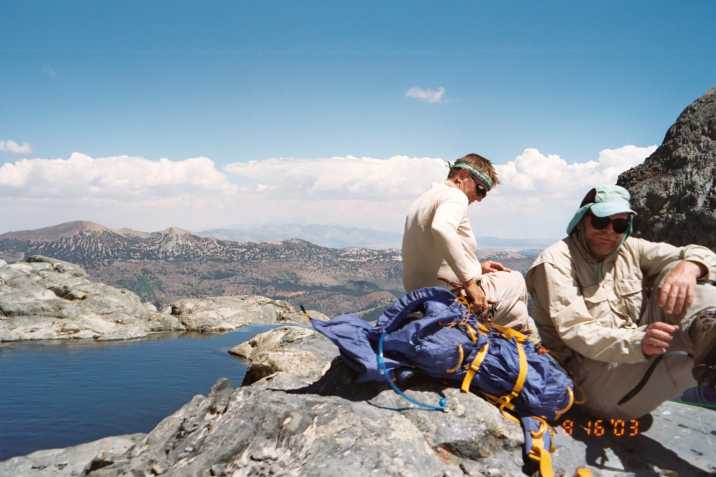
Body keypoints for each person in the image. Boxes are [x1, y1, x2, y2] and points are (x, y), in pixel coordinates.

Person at [526, 185, 716, 418]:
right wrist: (638, 342)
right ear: (582, 220)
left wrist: (690, 267)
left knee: (689, 276)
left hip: (637, 348)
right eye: (600, 221)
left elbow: (704, 255)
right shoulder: (556, 262)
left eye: (619, 225)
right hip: (586, 376)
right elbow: (576, 332)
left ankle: (708, 336)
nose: (609, 231)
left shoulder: (629, 248)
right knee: (687, 362)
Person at [401, 153, 536, 335]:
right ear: (463, 175)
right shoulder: (455, 196)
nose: (480, 198)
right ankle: (530, 348)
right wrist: (470, 282)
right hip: (451, 297)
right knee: (517, 283)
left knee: (517, 303)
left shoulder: (425, 198)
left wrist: (478, 268)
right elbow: (442, 229)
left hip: (419, 295)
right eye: (481, 189)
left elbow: (431, 253)